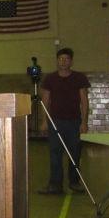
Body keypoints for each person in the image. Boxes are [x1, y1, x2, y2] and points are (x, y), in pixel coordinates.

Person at [39, 48, 90, 194]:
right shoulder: (50, 79)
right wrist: (44, 121)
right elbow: (45, 101)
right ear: (57, 61)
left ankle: (74, 182)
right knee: (55, 154)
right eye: (60, 59)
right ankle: (55, 185)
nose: (63, 61)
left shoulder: (79, 78)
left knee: (75, 153)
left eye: (66, 59)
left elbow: (84, 101)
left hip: (74, 122)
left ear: (71, 61)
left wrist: (84, 122)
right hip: (55, 122)